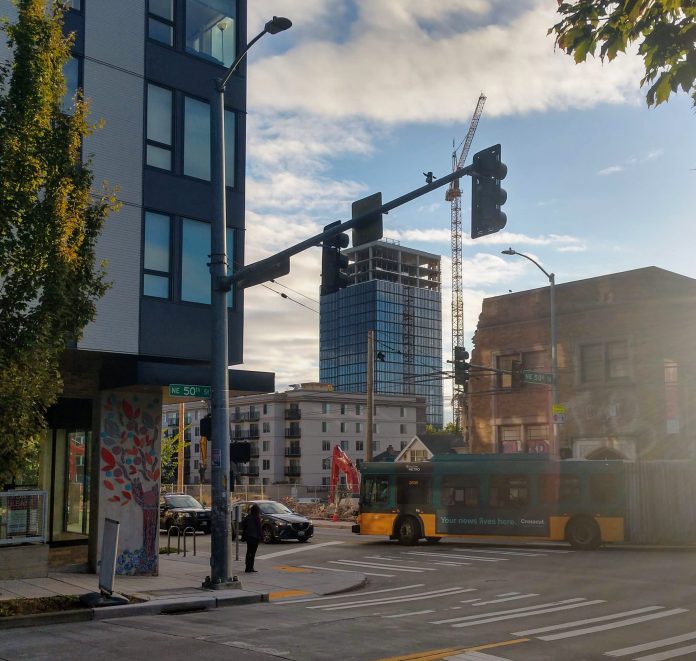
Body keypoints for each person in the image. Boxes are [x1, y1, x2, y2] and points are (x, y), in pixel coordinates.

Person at [242, 504, 262, 573]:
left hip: (248, 537)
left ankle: (247, 567)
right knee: (252, 553)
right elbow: (259, 528)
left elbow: (243, 524)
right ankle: (250, 567)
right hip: (255, 537)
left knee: (248, 552)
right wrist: (260, 537)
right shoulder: (257, 518)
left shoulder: (248, 517)